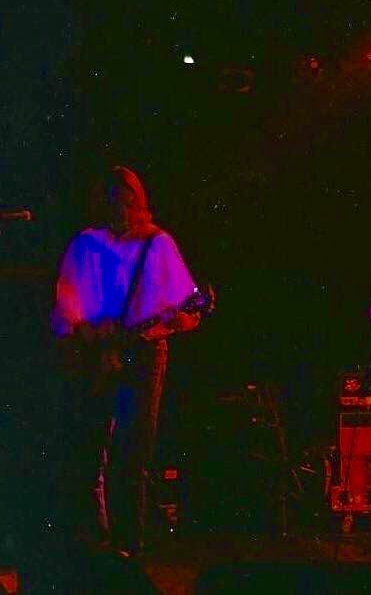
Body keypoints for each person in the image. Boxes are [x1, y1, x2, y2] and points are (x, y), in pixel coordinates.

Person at [52, 166, 201, 558]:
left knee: (134, 450)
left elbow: (185, 306)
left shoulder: (157, 244)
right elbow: (67, 305)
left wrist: (179, 319)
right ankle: (96, 536)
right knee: (91, 446)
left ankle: (128, 543)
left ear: (137, 200)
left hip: (143, 352)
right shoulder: (86, 243)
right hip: (95, 352)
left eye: (126, 197)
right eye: (113, 197)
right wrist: (85, 334)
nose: (119, 204)